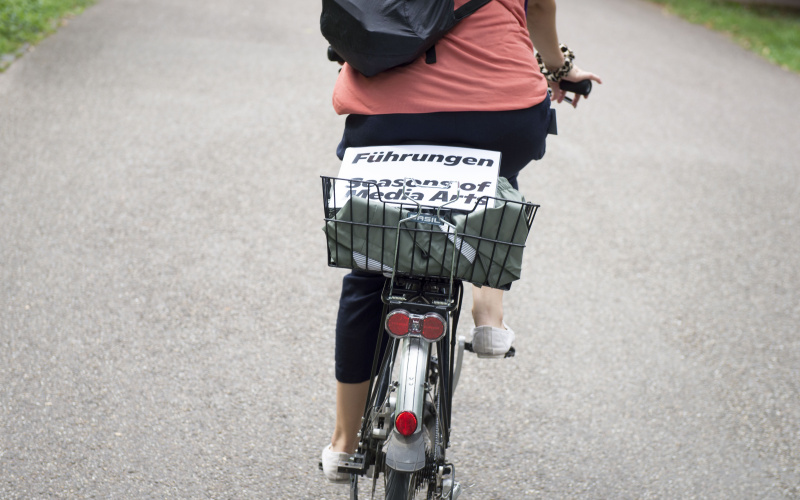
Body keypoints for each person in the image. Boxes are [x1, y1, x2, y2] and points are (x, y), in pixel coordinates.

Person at [321, 0, 602, 483]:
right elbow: (541, 10)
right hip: (501, 114)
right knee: (495, 177)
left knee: (369, 268)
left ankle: (345, 443)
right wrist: (561, 69)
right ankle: (488, 313)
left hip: (388, 116)